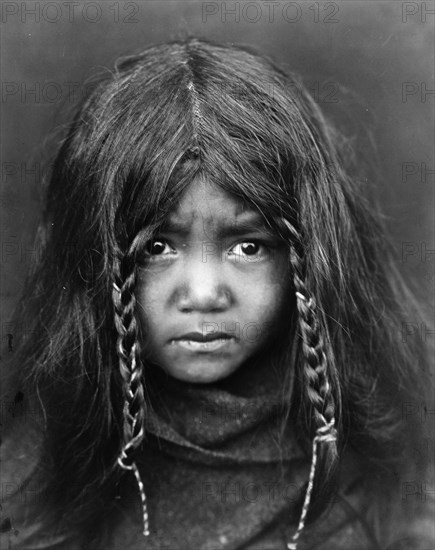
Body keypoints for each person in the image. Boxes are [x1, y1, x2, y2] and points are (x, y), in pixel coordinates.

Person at [1, 37, 433, 550]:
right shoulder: (33, 484)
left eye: (248, 247)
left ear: (313, 261)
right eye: (156, 247)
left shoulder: (392, 488)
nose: (204, 295)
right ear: (92, 260)